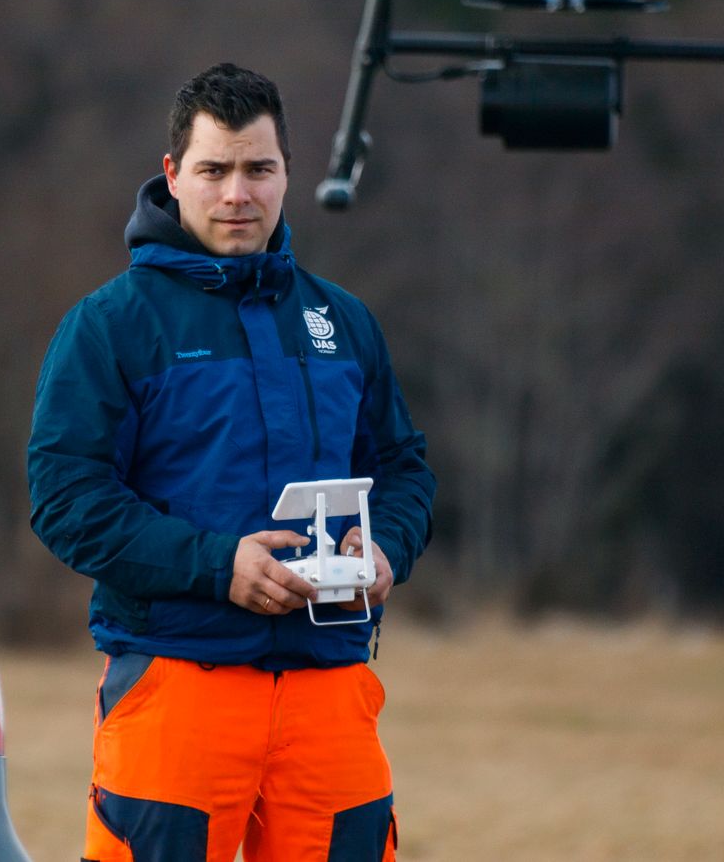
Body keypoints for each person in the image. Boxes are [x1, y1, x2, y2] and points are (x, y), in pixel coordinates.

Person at [28, 63, 435, 862]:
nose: (237, 195)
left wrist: (385, 543)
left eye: (259, 169)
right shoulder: (110, 326)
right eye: (214, 170)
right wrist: (218, 566)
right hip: (178, 685)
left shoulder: (342, 321)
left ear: (290, 172)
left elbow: (405, 468)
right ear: (175, 175)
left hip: (331, 686)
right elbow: (65, 499)